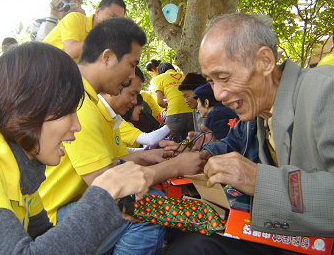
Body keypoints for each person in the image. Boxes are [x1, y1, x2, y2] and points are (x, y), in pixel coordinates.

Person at [160, 13, 334, 255]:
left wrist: (259, 181)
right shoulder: (256, 111)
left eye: (224, 77)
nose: (219, 94)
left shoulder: (332, 90)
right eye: (211, 81)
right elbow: (231, 144)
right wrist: (197, 157)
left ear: (265, 61)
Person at [0, 42, 155, 255]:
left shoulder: (23, 171)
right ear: (28, 107)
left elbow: (43, 235)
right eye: (68, 111)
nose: (77, 126)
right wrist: (103, 197)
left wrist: (111, 212)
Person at [39, 17, 209, 255]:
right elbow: (109, 186)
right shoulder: (79, 104)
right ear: (107, 57)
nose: (131, 76)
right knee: (149, 206)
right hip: (56, 218)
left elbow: (113, 164)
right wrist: (175, 167)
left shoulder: (90, 102)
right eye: (131, 64)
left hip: (74, 204)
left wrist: (145, 158)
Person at [43, 0, 125, 62]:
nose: (115, 22)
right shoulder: (75, 18)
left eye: (119, 20)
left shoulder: (107, 40)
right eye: (112, 16)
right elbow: (70, 51)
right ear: (98, 12)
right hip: (40, 67)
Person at [118, 71, 170, 149]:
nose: (134, 101)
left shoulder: (130, 123)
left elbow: (127, 151)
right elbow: (149, 139)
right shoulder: (119, 123)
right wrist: (168, 128)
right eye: (132, 94)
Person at [154, 62, 194, 142]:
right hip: (192, 114)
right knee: (189, 143)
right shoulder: (184, 75)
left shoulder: (160, 77)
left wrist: (168, 107)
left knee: (171, 145)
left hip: (174, 114)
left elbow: (160, 102)